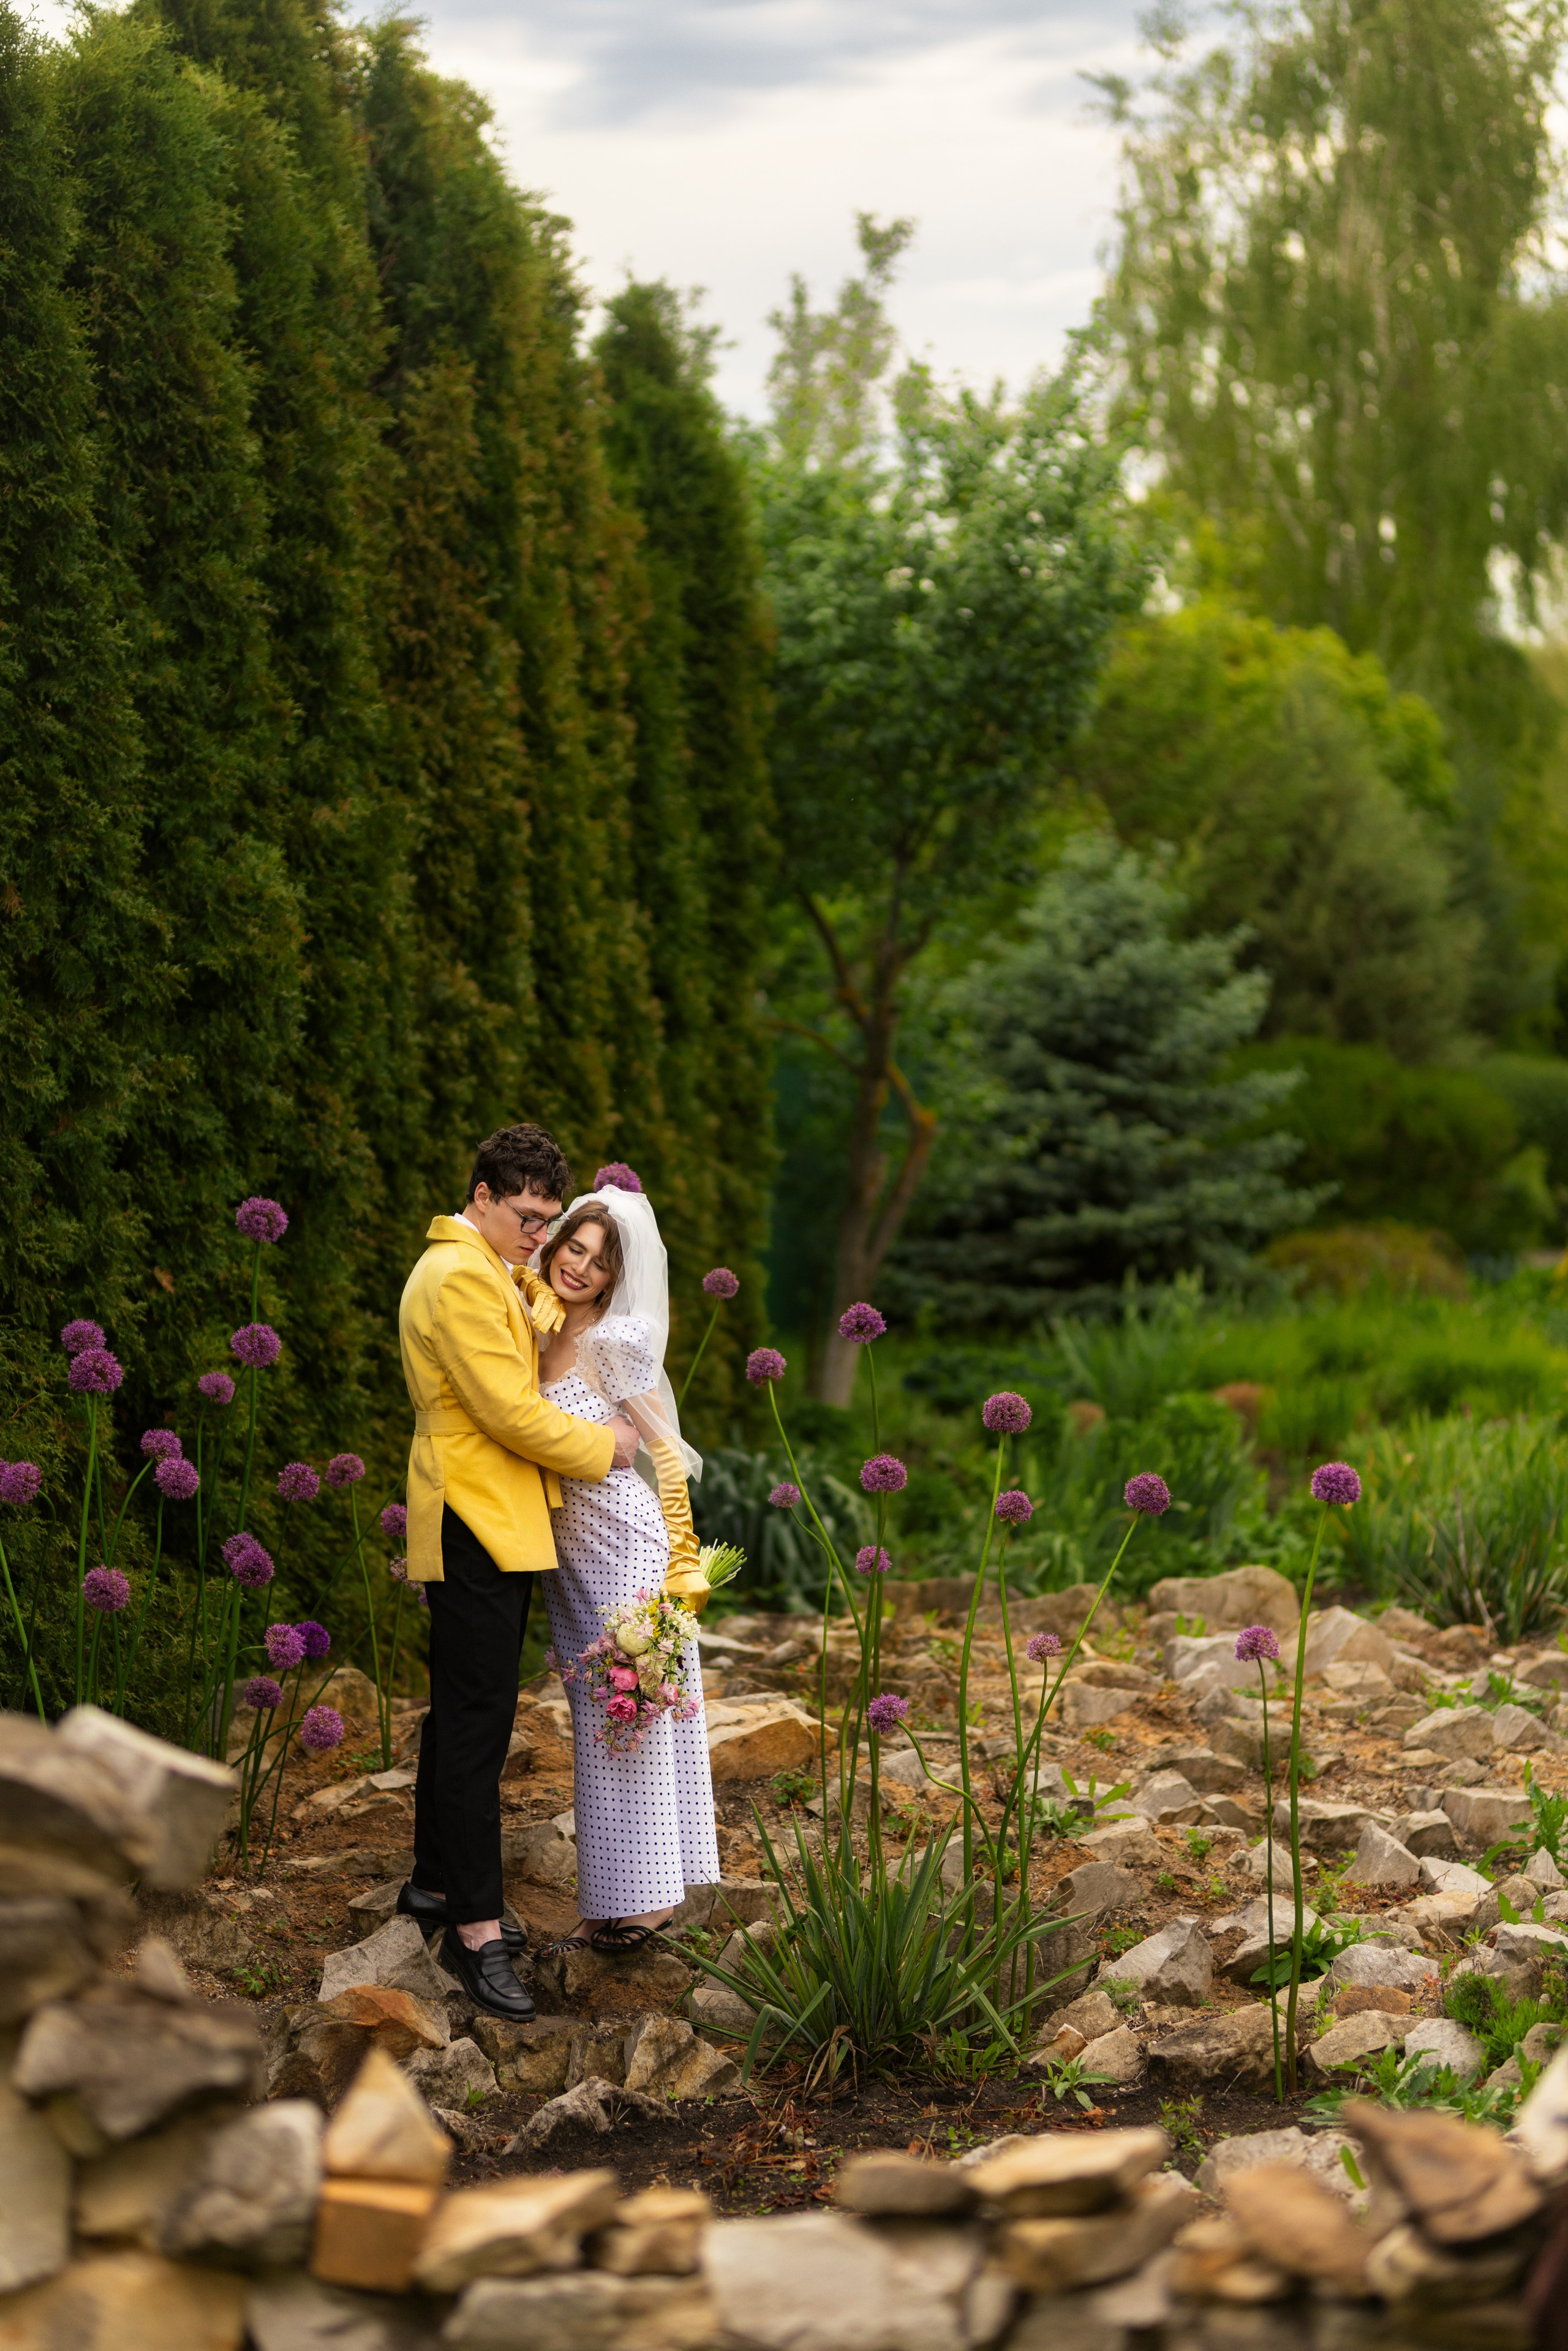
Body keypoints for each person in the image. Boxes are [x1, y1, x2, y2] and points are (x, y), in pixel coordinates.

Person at [396, 1123, 640, 2020]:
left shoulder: (490, 1265)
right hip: (473, 1513)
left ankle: (432, 1883)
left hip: (490, 1517)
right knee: (476, 1731)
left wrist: (542, 1284)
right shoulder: (460, 1273)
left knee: (464, 1714)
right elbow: (507, 1409)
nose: (538, 1235)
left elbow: (530, 1314)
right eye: (529, 1216)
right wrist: (607, 1450)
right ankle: (476, 1932)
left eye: (549, 1219)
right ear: (484, 1195)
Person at [532, 1182, 720, 1953]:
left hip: (624, 1546)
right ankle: (608, 1898)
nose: (579, 1267)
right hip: (565, 1560)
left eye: (599, 1261)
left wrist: (683, 1569)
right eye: (573, 1247)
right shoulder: (532, 1321)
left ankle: (646, 1903)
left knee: (632, 1716)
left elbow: (668, 1454)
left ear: (616, 1276)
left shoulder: (618, 1339)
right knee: (595, 1722)